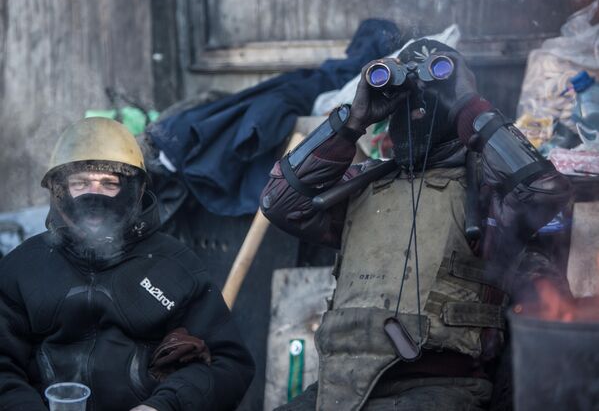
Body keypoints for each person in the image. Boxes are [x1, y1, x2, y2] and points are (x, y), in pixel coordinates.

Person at [260, 39, 571, 410]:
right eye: (408, 97)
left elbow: (543, 191)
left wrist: (469, 105)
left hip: (435, 387)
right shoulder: (366, 184)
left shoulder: (487, 195)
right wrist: (351, 121)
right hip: (339, 387)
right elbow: (278, 203)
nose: (417, 110)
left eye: (433, 97)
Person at [0, 117, 255, 410]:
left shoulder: (175, 265)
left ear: (133, 190)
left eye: (109, 184)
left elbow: (229, 364)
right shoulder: (23, 266)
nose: (94, 196)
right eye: (80, 183)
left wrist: (165, 406)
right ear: (59, 190)